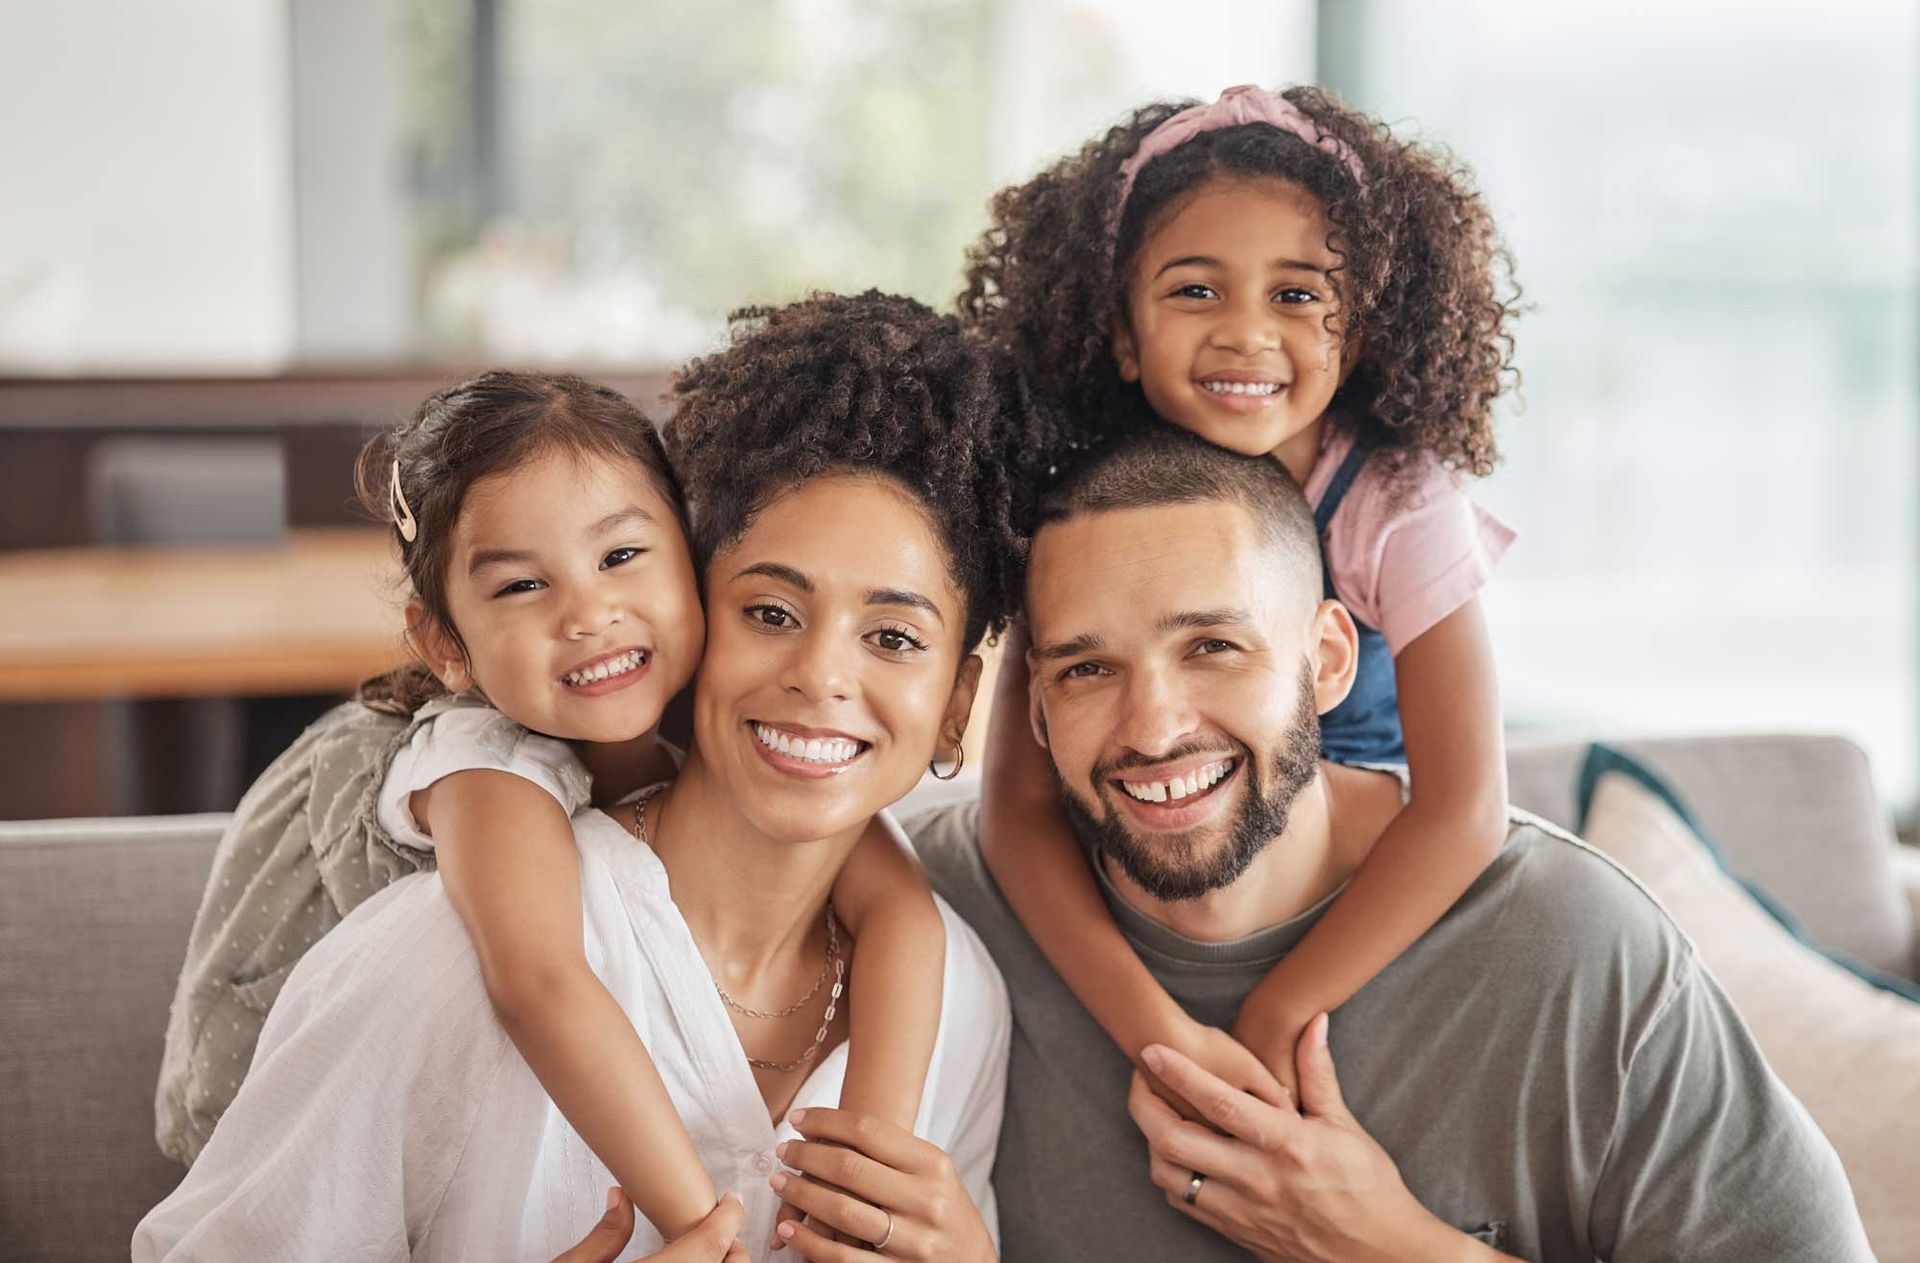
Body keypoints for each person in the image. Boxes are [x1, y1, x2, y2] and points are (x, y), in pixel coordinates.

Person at [135, 293, 1024, 1262]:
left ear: (955, 705)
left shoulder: (961, 1001)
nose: (822, 676)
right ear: (697, 609)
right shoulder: (445, 955)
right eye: (770, 612)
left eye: (894, 637)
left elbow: (892, 900)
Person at [908, 427, 1874, 1262]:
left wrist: (1396, 1245)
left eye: (1214, 647)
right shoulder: (929, 914)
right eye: (1087, 668)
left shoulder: (1576, 949)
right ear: (1033, 709)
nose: (1154, 727)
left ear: (1327, 661)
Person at [957, 83, 1518, 1102]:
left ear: (1362, 327)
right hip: (1157, 893)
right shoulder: (1081, 513)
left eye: (1297, 294)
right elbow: (1018, 815)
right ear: (1122, 334)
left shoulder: (1398, 497)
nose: (1247, 335)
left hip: (1355, 897)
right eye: (1195, 291)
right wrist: (1154, 1030)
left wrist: (1275, 1012)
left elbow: (1468, 810)